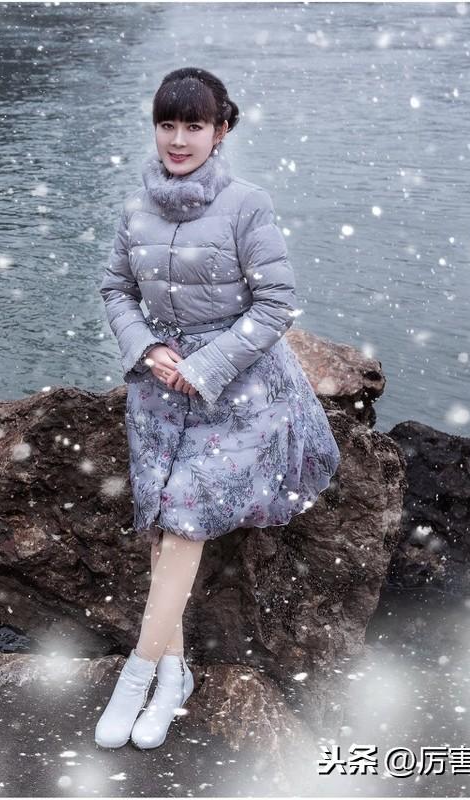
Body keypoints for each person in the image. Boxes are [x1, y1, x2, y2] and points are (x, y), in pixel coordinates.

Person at [94, 67, 342, 750]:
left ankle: (137, 676)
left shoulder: (246, 205)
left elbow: (276, 304)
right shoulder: (136, 208)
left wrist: (204, 366)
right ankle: (174, 677)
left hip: (240, 394)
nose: (179, 140)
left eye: (194, 126)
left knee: (182, 524)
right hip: (158, 392)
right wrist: (147, 348)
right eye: (167, 125)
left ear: (220, 131)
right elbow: (116, 289)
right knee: (161, 528)